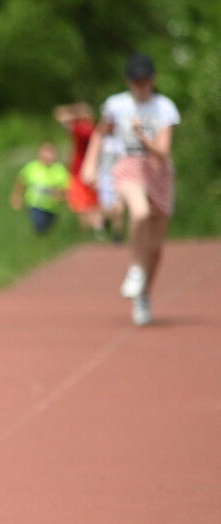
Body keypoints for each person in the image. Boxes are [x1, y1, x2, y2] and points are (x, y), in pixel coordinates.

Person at [92, 52, 180, 327]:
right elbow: (100, 133)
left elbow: (163, 153)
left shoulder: (164, 107)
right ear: (128, 81)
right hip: (128, 166)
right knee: (139, 213)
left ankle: (144, 294)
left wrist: (143, 135)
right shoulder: (116, 105)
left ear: (153, 80)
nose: (141, 86)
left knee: (155, 246)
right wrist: (89, 165)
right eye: (136, 81)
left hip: (158, 170)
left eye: (146, 81)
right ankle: (135, 268)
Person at [54, 103, 104, 237]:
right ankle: (98, 231)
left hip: (80, 171)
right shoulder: (96, 129)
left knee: (83, 205)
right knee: (93, 203)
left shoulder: (82, 130)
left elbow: (60, 114)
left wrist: (73, 112)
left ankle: (88, 233)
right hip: (96, 170)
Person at [10, 141, 69, 235]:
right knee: (40, 226)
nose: (48, 155)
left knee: (49, 230)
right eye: (45, 151)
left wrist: (60, 195)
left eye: (51, 152)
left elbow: (67, 189)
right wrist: (17, 196)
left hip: (53, 207)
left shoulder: (59, 170)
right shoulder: (32, 168)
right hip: (35, 204)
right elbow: (21, 180)